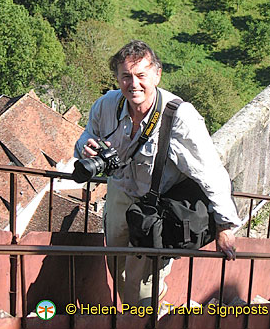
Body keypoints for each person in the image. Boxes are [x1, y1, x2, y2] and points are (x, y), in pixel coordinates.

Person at [74, 40, 241, 306]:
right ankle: (136, 312)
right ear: (117, 77)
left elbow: (211, 171)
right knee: (115, 265)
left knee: (142, 285)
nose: (133, 84)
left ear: (157, 75)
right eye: (126, 76)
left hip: (157, 206)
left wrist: (225, 225)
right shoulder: (106, 106)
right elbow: (85, 137)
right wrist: (86, 148)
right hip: (119, 193)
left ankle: (145, 316)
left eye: (141, 75)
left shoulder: (179, 117)